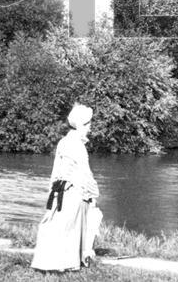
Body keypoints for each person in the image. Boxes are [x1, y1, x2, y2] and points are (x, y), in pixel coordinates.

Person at [30, 103, 103, 272]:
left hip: (60, 190)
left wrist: (51, 190)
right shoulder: (78, 146)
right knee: (68, 227)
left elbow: (56, 171)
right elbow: (85, 174)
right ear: (82, 125)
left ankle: (49, 261)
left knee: (56, 225)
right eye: (89, 124)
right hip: (73, 192)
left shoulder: (63, 142)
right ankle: (65, 263)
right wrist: (94, 194)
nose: (90, 127)